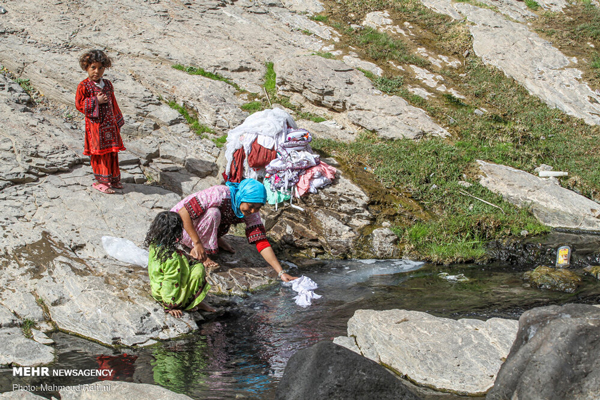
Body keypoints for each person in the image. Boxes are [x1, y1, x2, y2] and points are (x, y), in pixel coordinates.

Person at [170, 179, 298, 282]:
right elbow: (183, 213)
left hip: (198, 225)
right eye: (251, 206)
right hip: (178, 228)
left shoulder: (250, 210)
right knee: (214, 213)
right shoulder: (219, 194)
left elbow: (261, 241)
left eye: (258, 208)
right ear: (242, 196)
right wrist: (197, 244)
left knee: (217, 214)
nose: (252, 211)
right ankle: (197, 252)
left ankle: (213, 239)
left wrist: (281, 272)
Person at [144, 211, 214, 318]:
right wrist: (170, 306)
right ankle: (190, 302)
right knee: (199, 268)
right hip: (168, 296)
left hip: (156, 288)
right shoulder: (172, 258)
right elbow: (170, 281)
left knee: (192, 263)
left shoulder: (155, 245)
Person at [75, 50, 125, 194]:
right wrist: (96, 101)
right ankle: (101, 181)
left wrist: (118, 121)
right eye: (93, 68)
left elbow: (114, 103)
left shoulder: (107, 84)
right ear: (86, 68)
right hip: (95, 128)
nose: (97, 71)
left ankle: (114, 179)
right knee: (99, 154)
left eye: (100, 68)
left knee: (112, 153)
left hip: (110, 126)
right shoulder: (84, 86)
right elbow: (79, 104)